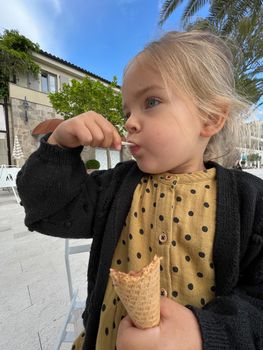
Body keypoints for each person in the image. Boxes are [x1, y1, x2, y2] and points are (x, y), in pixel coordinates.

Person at [17, 31, 263, 350]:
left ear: (210, 118)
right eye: (127, 112)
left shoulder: (249, 200)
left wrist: (204, 332)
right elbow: (46, 211)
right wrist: (58, 148)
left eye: (151, 102)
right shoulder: (115, 187)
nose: (130, 121)